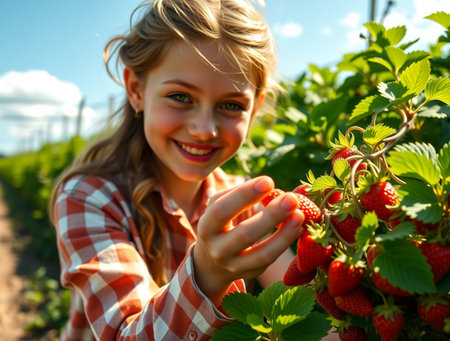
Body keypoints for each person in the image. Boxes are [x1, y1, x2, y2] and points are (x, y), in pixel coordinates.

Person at [49, 0, 305, 339]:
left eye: (231, 105)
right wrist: (206, 275)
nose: (204, 129)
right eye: (181, 97)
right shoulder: (87, 198)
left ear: (254, 108)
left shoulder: (243, 204)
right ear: (136, 91)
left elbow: (305, 307)